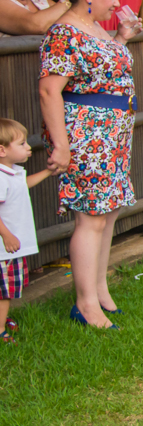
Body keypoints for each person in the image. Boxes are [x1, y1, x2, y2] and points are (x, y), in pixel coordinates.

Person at [38, 0, 143, 329]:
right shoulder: (64, 33)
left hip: (112, 132)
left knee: (108, 212)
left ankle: (98, 289)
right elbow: (50, 90)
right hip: (87, 134)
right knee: (91, 217)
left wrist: (122, 38)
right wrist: (62, 145)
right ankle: (84, 303)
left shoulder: (95, 29)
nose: (117, 4)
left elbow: (100, 71)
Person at [0, 119, 51, 343]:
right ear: (2, 150)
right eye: (22, 144)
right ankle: (0, 330)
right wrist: (6, 234)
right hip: (5, 249)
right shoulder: (1, 178)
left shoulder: (11, 173)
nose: (28, 147)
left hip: (10, 247)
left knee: (6, 290)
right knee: (5, 291)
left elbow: (24, 185)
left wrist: (48, 172)